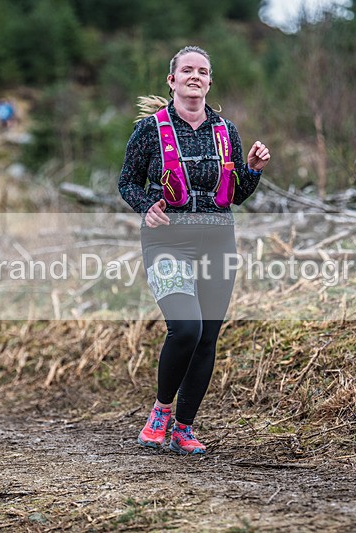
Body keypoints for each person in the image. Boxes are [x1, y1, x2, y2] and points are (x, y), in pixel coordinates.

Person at [118, 46, 270, 455]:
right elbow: (127, 182)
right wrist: (145, 206)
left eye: (202, 71)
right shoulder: (150, 130)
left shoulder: (226, 131)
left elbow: (236, 194)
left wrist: (252, 169)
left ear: (209, 82)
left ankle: (185, 428)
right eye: (187, 70)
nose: (195, 76)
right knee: (186, 328)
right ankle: (161, 413)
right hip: (168, 241)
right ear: (172, 80)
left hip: (218, 241)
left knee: (208, 338)